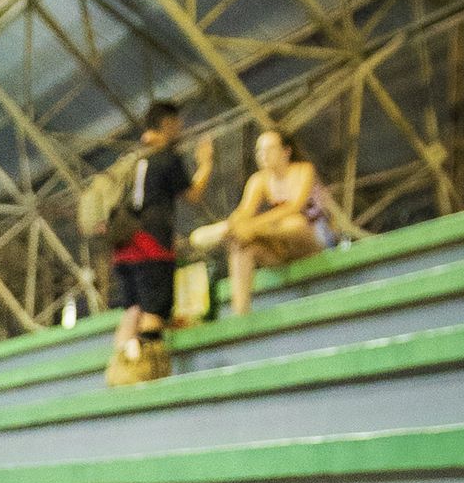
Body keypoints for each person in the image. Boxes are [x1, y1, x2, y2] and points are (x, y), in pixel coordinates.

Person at [107, 99, 214, 369]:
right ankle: (147, 370)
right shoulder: (166, 158)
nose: (180, 129)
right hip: (151, 245)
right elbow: (193, 195)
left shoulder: (133, 159)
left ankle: (120, 370)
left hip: (123, 244)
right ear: (167, 124)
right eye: (177, 124)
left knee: (133, 309)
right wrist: (205, 164)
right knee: (153, 311)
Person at [197, 125, 335, 315]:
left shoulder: (303, 170)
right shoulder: (258, 180)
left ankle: (239, 231)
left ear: (286, 151)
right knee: (242, 245)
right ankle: (241, 314)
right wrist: (234, 225)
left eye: (269, 149)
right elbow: (244, 211)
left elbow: (293, 208)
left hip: (314, 239)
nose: (263, 155)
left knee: (293, 223)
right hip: (281, 246)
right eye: (259, 151)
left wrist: (253, 227)